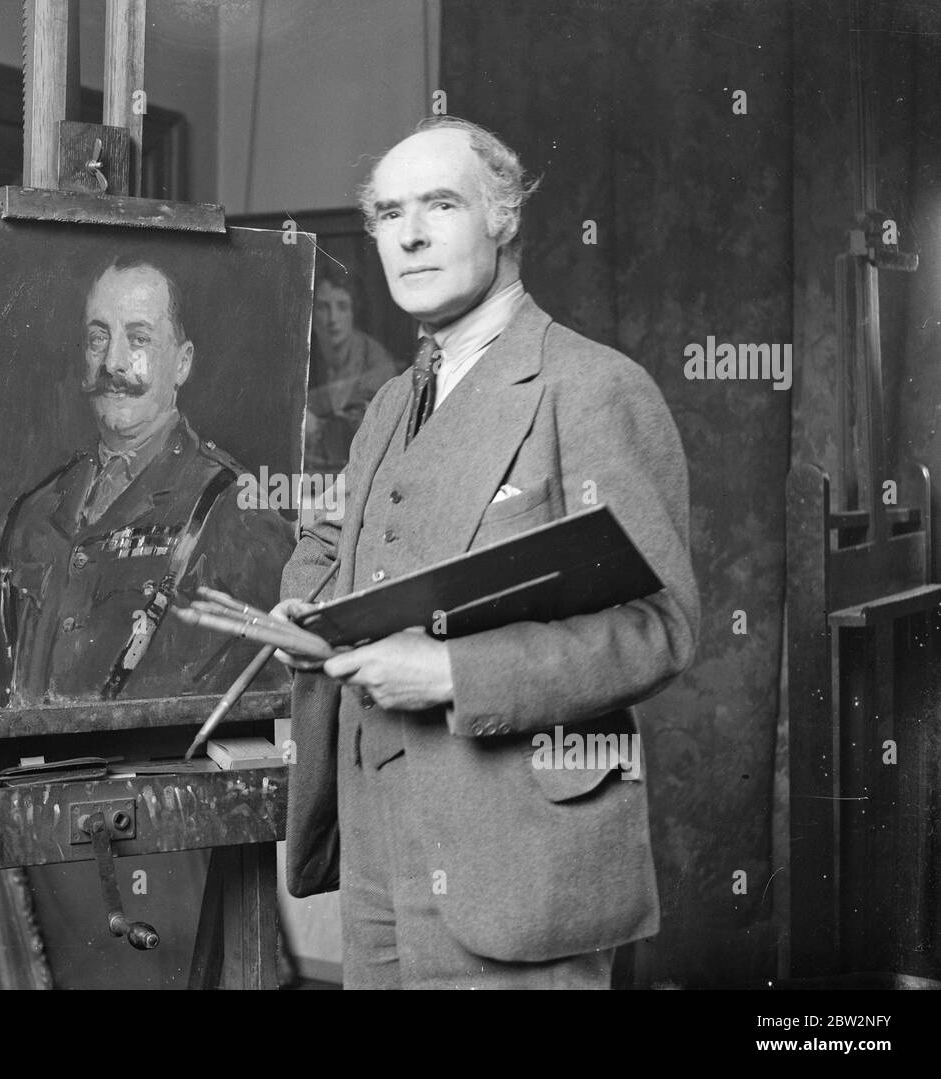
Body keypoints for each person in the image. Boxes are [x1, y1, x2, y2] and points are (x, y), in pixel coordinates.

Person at [274, 117, 700, 989]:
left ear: (503, 219)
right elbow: (333, 538)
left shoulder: (592, 387)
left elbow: (660, 627)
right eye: (389, 213)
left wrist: (452, 674)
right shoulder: (391, 403)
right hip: (373, 847)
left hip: (515, 865)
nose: (410, 236)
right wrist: (307, 613)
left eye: (440, 205)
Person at [0, 255, 294, 707]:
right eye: (99, 338)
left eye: (138, 339)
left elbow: (281, 693)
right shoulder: (34, 512)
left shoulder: (235, 507)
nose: (113, 363)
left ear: (182, 363)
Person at [304, 263, 397, 474]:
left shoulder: (376, 362)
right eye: (323, 307)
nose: (332, 319)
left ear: (354, 311)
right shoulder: (304, 353)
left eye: (342, 306)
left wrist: (317, 427)